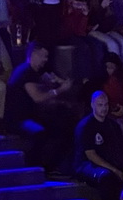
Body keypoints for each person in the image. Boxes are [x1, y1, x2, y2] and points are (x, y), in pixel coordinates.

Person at [5, 42, 75, 173]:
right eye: (43, 56)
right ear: (33, 54)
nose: (45, 60)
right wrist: (61, 89)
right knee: (40, 133)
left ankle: (54, 167)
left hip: (30, 116)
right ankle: (35, 169)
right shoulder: (25, 72)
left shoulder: (33, 73)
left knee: (63, 126)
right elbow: (38, 97)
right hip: (18, 120)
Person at [73, 90, 123, 200]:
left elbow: (121, 148)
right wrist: (115, 170)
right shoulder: (86, 126)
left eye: (106, 105)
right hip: (86, 164)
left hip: (108, 162)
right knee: (106, 177)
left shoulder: (113, 125)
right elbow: (90, 154)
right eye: (100, 105)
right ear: (93, 105)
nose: (104, 108)